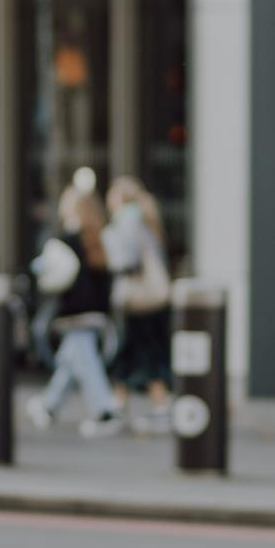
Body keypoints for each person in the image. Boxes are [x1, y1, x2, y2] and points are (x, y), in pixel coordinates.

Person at [24, 180, 123, 438]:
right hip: (95, 311)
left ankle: (105, 411)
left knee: (85, 361)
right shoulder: (98, 237)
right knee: (71, 359)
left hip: (75, 311)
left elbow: (50, 271)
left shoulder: (69, 238)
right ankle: (48, 406)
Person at [102, 176, 173, 432]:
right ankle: (121, 405)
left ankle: (155, 406)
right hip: (148, 301)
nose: (108, 201)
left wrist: (108, 242)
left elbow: (127, 260)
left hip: (137, 301)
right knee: (134, 353)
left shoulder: (127, 222)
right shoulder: (144, 220)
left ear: (121, 199)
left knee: (138, 353)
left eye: (112, 196)